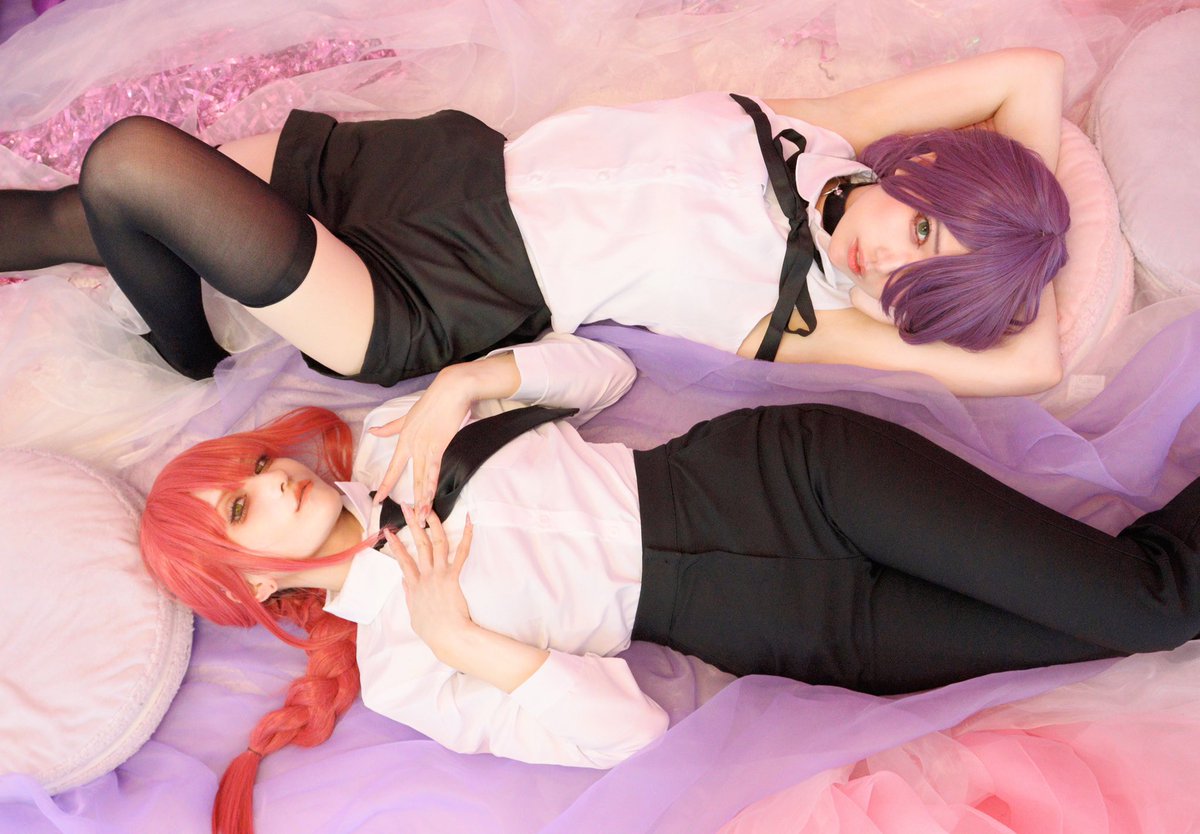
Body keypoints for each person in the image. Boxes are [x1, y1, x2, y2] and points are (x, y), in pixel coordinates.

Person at [140, 335, 1200, 834]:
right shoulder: (406, 664)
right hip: (806, 629)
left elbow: (607, 374)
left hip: (790, 479)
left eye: (252, 467)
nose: (272, 481)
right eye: (241, 510)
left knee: (1144, 602)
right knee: (1136, 614)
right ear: (249, 583)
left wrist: (465, 385)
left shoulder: (394, 437)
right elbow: (631, 735)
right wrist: (468, 641)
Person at [2, 47, 1068, 397]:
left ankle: (185, 352)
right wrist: (1016, 220)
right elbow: (1036, 75)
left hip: (424, 299)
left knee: (132, 166)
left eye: (913, 287)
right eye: (922, 232)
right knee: (76, 213)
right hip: (421, 168)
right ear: (933, 167)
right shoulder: (816, 131)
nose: (883, 262)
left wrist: (1006, 275)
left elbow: (1037, 364)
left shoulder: (801, 317)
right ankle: (178, 329)